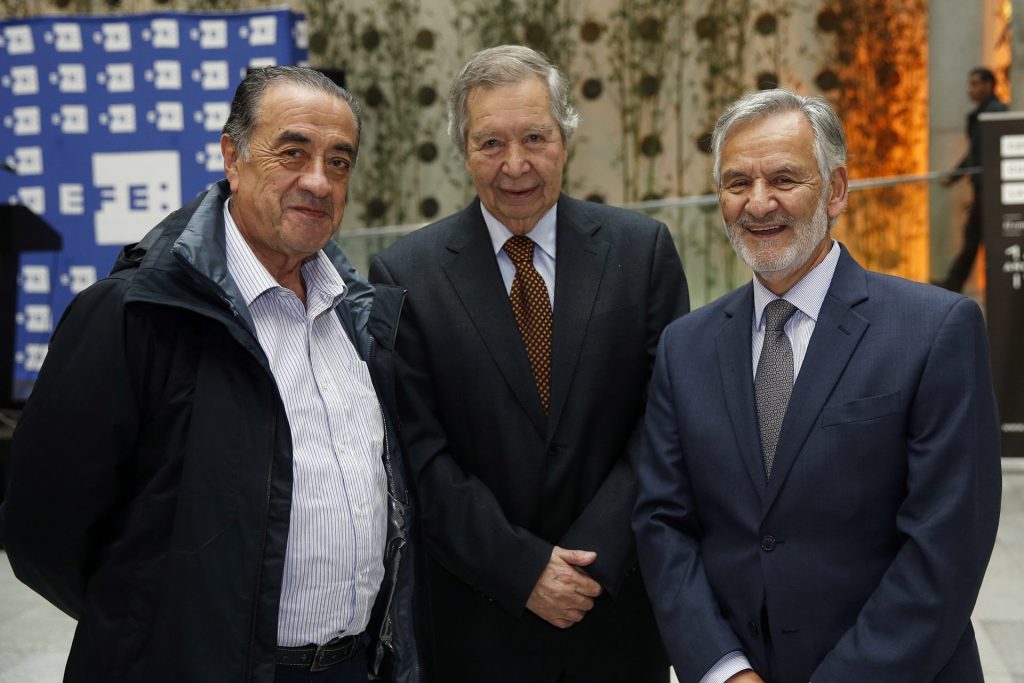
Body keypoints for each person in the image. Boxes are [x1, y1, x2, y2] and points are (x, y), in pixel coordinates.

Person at [2, 66, 419, 683]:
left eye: (339, 162)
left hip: (351, 666)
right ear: (233, 157)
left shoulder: (359, 316)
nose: (318, 181)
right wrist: (152, 632)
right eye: (293, 152)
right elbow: (42, 531)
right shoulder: (135, 313)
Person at [634, 88, 1002, 683]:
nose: (759, 203)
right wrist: (724, 669)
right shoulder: (685, 347)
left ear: (835, 190)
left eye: (784, 178)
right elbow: (662, 524)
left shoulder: (935, 330)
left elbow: (947, 547)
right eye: (737, 183)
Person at [369, 45, 688, 682]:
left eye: (535, 138)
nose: (515, 165)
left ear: (565, 139)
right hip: (478, 627)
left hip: (616, 617)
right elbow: (418, 454)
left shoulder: (642, 251)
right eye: (491, 143)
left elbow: (666, 423)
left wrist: (587, 564)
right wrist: (523, 570)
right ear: (464, 152)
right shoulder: (405, 275)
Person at [936, 67, 1008, 292]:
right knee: (973, 238)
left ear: (989, 85)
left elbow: (986, 153)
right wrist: (954, 177)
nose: (970, 89)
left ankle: (958, 286)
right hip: (984, 188)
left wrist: (954, 177)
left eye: (975, 84)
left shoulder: (995, 114)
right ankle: (953, 285)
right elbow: (974, 154)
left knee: (981, 239)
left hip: (993, 190)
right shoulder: (981, 115)